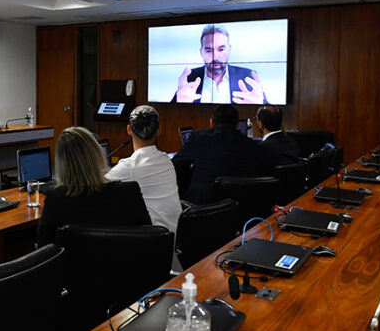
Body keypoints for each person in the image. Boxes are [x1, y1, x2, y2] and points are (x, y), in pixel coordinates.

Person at [36, 126, 151, 246]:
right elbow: (149, 238)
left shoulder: (55, 199)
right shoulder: (129, 192)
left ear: (61, 163)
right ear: (97, 153)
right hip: (123, 263)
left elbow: (43, 248)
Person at [171, 105, 274, 205]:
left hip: (200, 209)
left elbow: (175, 165)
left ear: (211, 123)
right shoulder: (254, 146)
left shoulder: (198, 137)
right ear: (237, 124)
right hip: (239, 210)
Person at [105, 105, 181, 234]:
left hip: (155, 241)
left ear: (129, 129)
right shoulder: (167, 161)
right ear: (159, 130)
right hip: (176, 238)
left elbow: (94, 186)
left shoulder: (128, 167)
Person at [173, 24, 267, 104]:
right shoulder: (189, 78)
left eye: (221, 49)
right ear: (202, 52)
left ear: (229, 49)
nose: (215, 57)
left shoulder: (247, 76)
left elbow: (271, 114)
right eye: (209, 50)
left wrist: (259, 106)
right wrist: (178, 103)